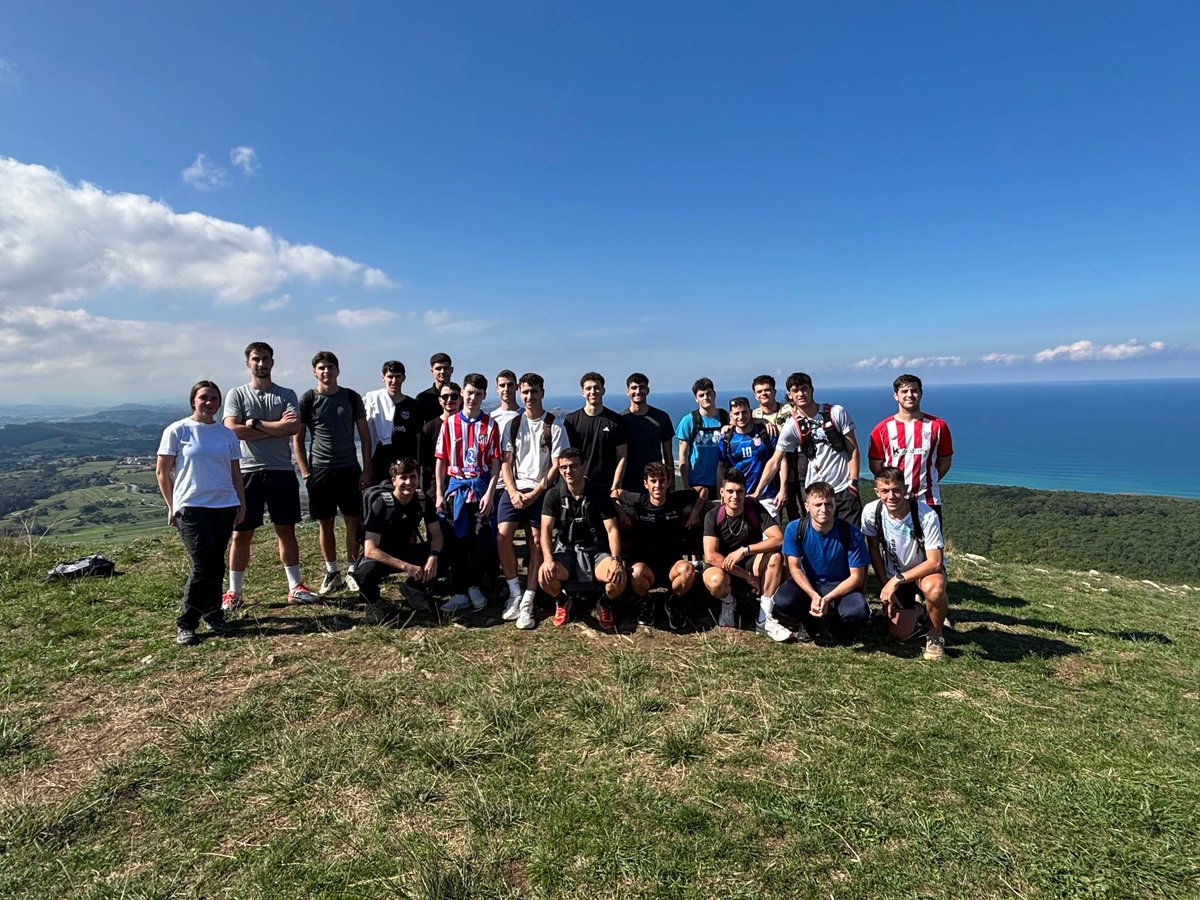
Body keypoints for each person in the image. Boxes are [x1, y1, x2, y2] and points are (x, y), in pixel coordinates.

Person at [222, 341, 317, 608]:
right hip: (247, 471)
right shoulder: (237, 394)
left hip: (281, 471)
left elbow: (293, 427)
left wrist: (254, 424)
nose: (261, 363)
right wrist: (275, 428)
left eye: (265, 358)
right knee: (241, 533)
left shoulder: (286, 393)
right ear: (248, 363)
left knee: (286, 530)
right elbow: (232, 431)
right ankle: (234, 592)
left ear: (272, 362)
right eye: (256, 359)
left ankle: (295, 587)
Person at [156, 381, 246, 645]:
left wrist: (241, 504)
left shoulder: (226, 434)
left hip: (224, 505)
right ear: (193, 401)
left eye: (214, 398)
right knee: (203, 564)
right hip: (191, 507)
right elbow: (162, 472)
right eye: (204, 397)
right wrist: (172, 506)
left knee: (216, 563)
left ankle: (213, 615)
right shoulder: (178, 430)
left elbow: (235, 473)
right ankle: (187, 623)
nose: (209, 403)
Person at [294, 351, 372, 596]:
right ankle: (332, 572)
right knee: (325, 522)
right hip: (321, 469)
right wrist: (305, 472)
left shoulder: (351, 397)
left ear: (338, 370)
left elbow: (364, 435)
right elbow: (298, 438)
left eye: (330, 367)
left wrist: (367, 469)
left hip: (349, 467)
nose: (326, 371)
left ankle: (352, 570)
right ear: (314, 371)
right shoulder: (308, 399)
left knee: (353, 520)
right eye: (321, 367)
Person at [498, 372, 567, 629]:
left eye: (534, 391)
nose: (529, 397)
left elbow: (556, 466)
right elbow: (506, 462)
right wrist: (513, 491)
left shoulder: (554, 425)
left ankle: (529, 597)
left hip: (541, 491)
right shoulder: (513, 425)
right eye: (525, 392)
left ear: (542, 393)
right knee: (502, 537)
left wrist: (536, 492)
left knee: (538, 541)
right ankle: (514, 592)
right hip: (515, 489)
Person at [860, 466, 950, 662]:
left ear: (906, 489)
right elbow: (873, 549)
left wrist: (896, 580)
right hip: (894, 574)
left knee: (934, 589)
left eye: (896, 490)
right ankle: (921, 610)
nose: (891, 496)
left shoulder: (926, 515)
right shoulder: (871, 511)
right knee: (900, 633)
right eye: (885, 491)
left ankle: (935, 635)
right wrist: (885, 585)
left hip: (923, 571)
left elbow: (935, 562)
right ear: (877, 492)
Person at [754, 373, 862, 525]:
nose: (800, 394)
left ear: (812, 389)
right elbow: (775, 461)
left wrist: (854, 482)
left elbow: (853, 449)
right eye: (795, 390)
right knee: (821, 537)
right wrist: (757, 492)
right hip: (816, 494)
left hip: (844, 488)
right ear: (789, 395)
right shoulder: (792, 425)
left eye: (804, 388)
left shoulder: (835, 412)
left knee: (851, 535)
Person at [538, 448, 627, 631]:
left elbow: (612, 529)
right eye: (563, 468)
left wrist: (616, 560)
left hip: (596, 550)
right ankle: (562, 600)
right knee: (544, 576)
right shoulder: (553, 495)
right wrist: (548, 560)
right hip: (566, 549)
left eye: (573, 466)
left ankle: (605, 603)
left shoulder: (598, 493)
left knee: (618, 577)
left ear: (584, 466)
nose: (568, 471)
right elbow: (545, 529)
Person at [435, 372, 501, 613]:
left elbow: (495, 463)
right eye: (469, 392)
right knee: (456, 542)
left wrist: (490, 493)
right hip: (456, 492)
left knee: (481, 540)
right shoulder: (449, 424)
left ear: (484, 396)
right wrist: (440, 493)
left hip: (480, 490)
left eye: (478, 394)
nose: (473, 398)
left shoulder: (491, 425)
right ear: (462, 392)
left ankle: (475, 585)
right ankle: (460, 591)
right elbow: (441, 461)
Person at [773, 481, 870, 644]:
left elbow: (857, 577)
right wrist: (813, 595)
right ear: (807, 506)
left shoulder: (851, 533)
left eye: (828, 504)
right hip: (809, 584)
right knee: (783, 600)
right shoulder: (795, 529)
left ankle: (836, 623)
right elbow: (794, 568)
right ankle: (807, 620)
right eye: (818, 504)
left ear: (835, 505)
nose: (823, 509)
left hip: (840, 586)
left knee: (858, 611)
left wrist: (827, 598)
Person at [701, 469, 790, 641]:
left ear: (745, 492)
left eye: (740, 491)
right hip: (724, 569)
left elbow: (778, 539)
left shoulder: (754, 508)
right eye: (730, 491)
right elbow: (711, 556)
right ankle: (728, 602)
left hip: (750, 563)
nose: (735, 496)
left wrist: (745, 550)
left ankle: (764, 618)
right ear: (722, 492)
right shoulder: (713, 516)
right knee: (715, 581)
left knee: (775, 557)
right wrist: (747, 576)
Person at [356, 458, 444, 626]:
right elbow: (370, 550)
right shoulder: (381, 504)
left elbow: (437, 536)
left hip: (405, 550)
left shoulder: (422, 499)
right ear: (394, 480)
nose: (409, 482)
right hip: (382, 556)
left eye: (413, 477)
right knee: (365, 572)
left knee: (444, 552)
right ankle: (373, 603)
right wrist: (406, 567)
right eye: (404, 477)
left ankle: (414, 588)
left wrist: (433, 556)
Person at [617, 462, 703, 630]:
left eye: (662, 480)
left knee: (688, 570)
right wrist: (620, 511)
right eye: (653, 481)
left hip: (672, 566)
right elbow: (615, 493)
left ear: (668, 482)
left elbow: (702, 491)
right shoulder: (639, 500)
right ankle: (646, 601)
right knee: (635, 573)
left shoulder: (676, 499)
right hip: (647, 567)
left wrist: (695, 513)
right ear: (646, 484)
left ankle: (672, 602)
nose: (658, 485)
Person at [868, 373, 954, 517]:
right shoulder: (881, 429)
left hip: (928, 500)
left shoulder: (938, 426)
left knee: (931, 533)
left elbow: (945, 462)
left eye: (914, 390)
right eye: (904, 391)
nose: (909, 395)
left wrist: (927, 482)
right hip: (894, 501)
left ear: (921, 393)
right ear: (896, 395)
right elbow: (875, 466)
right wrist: (892, 487)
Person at [563, 372, 629, 497]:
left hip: (607, 487)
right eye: (588, 388)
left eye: (596, 387)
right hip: (579, 487)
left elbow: (622, 456)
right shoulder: (571, 421)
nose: (593, 391)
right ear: (583, 392)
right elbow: (566, 457)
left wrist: (615, 487)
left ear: (603, 391)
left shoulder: (616, 420)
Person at [719, 396, 781, 518]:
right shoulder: (726, 439)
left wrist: (783, 488)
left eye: (744, 412)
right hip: (739, 496)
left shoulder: (766, 432)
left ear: (750, 412)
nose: (741, 416)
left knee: (773, 530)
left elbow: (781, 460)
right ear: (731, 416)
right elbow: (722, 468)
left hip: (767, 496)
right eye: (736, 413)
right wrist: (723, 495)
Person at [363, 360, 424, 480]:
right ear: (383, 377)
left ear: (403, 378)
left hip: (405, 466)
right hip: (379, 464)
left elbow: (418, 439)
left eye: (397, 376)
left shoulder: (413, 405)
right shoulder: (373, 402)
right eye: (390, 377)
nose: (394, 381)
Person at [752, 374, 801, 521]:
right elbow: (736, 422)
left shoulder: (790, 409)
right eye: (759, 391)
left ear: (774, 391)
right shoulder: (753, 415)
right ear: (755, 395)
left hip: (797, 464)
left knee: (798, 511)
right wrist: (761, 421)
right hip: (771, 471)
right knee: (773, 515)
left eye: (767, 390)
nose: (763, 394)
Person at [620, 373, 675, 492]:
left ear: (647, 390)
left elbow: (668, 454)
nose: (638, 391)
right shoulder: (620, 420)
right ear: (627, 392)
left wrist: (671, 485)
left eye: (642, 387)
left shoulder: (661, 417)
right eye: (634, 388)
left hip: (656, 481)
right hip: (628, 482)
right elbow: (617, 456)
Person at [675, 377, 727, 501]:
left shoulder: (726, 417)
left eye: (709, 393)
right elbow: (682, 455)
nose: (706, 397)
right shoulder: (688, 421)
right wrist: (685, 485)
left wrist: (762, 421)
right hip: (696, 481)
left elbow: (746, 422)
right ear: (696, 398)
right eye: (701, 395)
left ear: (714, 394)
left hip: (722, 480)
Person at [416, 352, 454, 424]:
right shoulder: (423, 398)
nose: (442, 371)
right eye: (438, 369)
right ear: (432, 371)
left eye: (445, 368)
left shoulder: (460, 396)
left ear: (451, 370)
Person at [490, 369, 522, 433]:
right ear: (497, 389)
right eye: (502, 385)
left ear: (516, 387)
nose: (506, 389)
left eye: (510, 385)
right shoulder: (491, 418)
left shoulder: (526, 415)